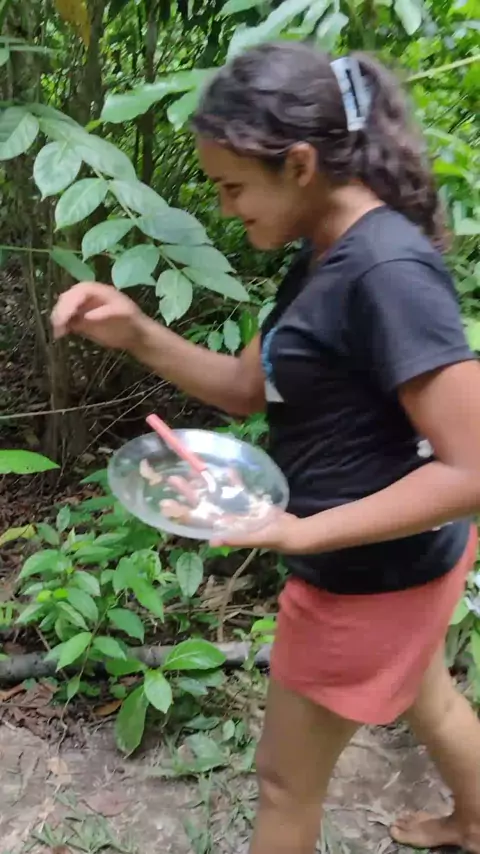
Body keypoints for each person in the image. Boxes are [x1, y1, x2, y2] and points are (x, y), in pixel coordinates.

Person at [51, 44, 480, 854]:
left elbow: (473, 469)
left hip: (365, 580)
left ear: (301, 164)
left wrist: (298, 532)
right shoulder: (322, 251)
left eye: (232, 186)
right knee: (430, 693)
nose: (224, 207)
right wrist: (136, 332)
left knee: (285, 785)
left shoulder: (385, 271)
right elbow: (250, 386)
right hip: (408, 566)